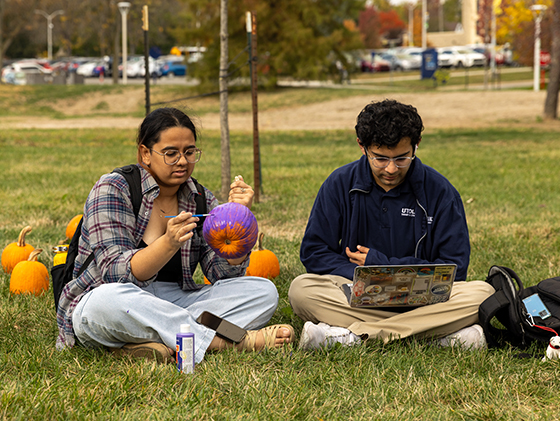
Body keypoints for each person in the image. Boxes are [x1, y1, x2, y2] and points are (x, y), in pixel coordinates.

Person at [56, 107, 294, 363]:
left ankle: (139, 342)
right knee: (105, 303)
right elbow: (115, 273)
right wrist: (168, 243)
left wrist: (239, 223)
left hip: (172, 300)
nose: (182, 161)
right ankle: (230, 341)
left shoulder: (200, 199)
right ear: (145, 153)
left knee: (262, 291)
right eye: (171, 153)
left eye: (190, 152)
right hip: (114, 297)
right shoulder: (114, 188)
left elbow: (222, 274)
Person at [288, 99, 495, 350]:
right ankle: (441, 337)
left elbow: (454, 268)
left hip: (423, 297)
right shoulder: (340, 183)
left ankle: (351, 336)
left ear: (416, 146)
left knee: (483, 295)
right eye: (380, 158)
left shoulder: (441, 192)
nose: (390, 169)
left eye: (401, 158)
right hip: (356, 292)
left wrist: (381, 265)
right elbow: (314, 251)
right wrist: (362, 279)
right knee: (301, 290)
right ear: (362, 147)